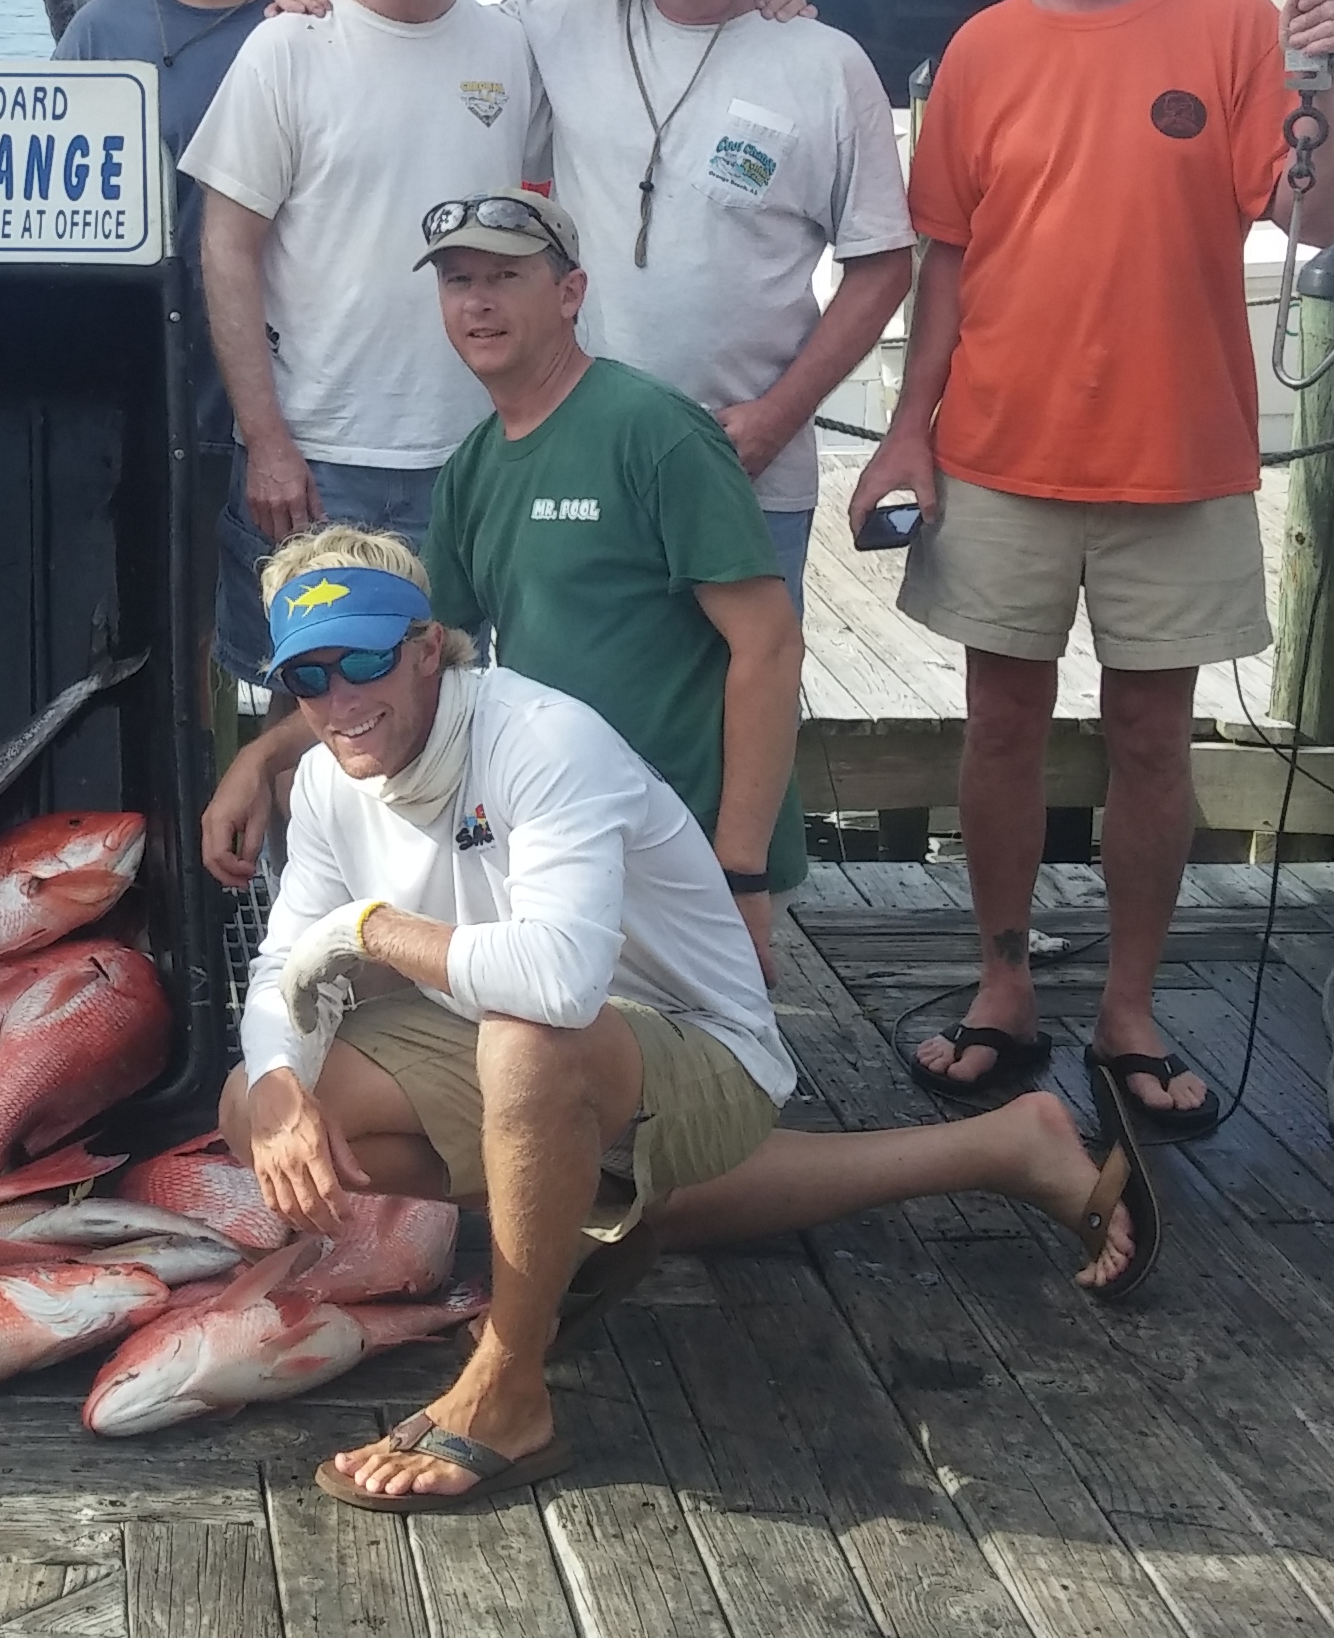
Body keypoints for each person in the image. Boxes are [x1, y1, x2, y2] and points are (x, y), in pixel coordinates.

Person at [226, 531, 1151, 1512]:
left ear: (426, 647)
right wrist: (282, 1082)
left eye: (364, 658)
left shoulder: (537, 737)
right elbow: (284, 967)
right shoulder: (327, 779)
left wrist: (367, 928)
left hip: (702, 1048)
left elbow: (559, 985)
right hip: (537, 1055)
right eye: (308, 675)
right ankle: (1000, 1146)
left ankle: (509, 1381)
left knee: (528, 1048)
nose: (340, 696)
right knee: (257, 1100)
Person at [256, 0, 894, 945]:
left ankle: (739, 943)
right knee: (560, 712)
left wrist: (774, 416)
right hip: (574, 444)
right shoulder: (553, 27)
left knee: (741, 695)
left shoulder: (821, 56)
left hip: (746, 455)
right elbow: (418, 18)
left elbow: (881, 265)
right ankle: (559, 941)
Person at [854, 0, 1334, 1139]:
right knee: (1000, 726)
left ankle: (1131, 1008)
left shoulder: (1238, 21)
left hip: (1181, 455)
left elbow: (1314, 218)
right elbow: (942, 258)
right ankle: (1004, 980)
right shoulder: (982, 50)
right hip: (1001, 451)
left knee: (1153, 736)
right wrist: (911, 428)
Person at [203, 193, 808, 977]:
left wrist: (740, 873)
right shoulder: (475, 466)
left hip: (688, 858)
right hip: (562, 842)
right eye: (457, 281)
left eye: (505, 277)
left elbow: (769, 644)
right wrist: (261, 759)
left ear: (569, 293)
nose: (478, 301)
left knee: (687, 1083)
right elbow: (412, 659)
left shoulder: (654, 431)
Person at [182, 0, 536, 687]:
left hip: (470, 455)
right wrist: (264, 439)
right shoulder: (287, 47)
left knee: (450, 704)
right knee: (300, 721)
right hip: (314, 458)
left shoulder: (513, 46)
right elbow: (225, 251)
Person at [56, 0, 323, 597]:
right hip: (146, 374)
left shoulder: (321, 11)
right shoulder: (98, 33)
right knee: (157, 611)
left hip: (297, 381)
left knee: (307, 617)